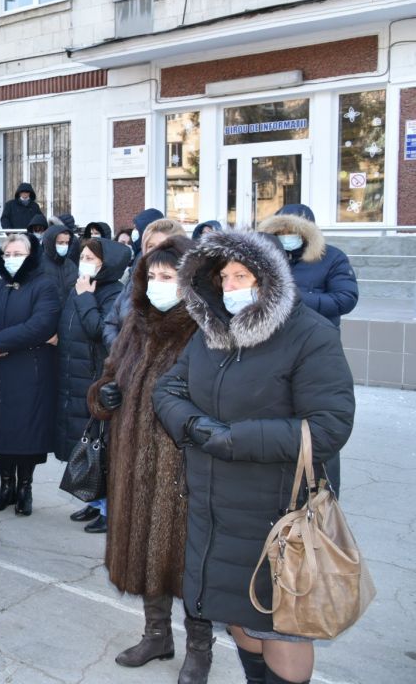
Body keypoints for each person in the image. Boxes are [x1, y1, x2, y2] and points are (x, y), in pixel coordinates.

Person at [153, 230, 355, 684]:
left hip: (279, 515)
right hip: (217, 510)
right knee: (239, 618)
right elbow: (169, 388)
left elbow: (329, 426)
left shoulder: (309, 335)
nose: (229, 287)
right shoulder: (211, 334)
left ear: (268, 280)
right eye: (223, 278)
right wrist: (193, 427)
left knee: (280, 626)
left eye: (240, 275)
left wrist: (233, 439)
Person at [86, 236, 212, 682]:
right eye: (153, 277)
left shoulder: (206, 331)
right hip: (132, 462)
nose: (159, 285)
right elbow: (104, 380)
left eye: (169, 278)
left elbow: (218, 401)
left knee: (190, 563)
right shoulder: (136, 325)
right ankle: (157, 634)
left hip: (184, 470)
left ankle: (200, 648)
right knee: (142, 550)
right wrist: (105, 395)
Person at [0, 235, 61, 516]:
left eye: (18, 252)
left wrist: (1, 341)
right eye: (7, 252)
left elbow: (42, 323)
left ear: (31, 255)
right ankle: (6, 485)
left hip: (28, 372)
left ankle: (25, 488)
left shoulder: (44, 286)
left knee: (25, 432)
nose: (11, 257)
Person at [54, 238, 132, 534]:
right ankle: (93, 499)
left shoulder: (114, 292)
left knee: (106, 447)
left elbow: (100, 330)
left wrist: (86, 298)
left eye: (89, 257)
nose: (82, 262)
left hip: (101, 377)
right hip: (79, 376)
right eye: (82, 256)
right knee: (90, 445)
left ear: (106, 264)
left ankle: (109, 508)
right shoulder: (83, 287)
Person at [258, 204, 358, 328]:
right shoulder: (267, 258)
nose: (285, 236)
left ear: (307, 233)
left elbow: (345, 299)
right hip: (275, 334)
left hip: (317, 334)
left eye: (292, 232)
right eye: (280, 232)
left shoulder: (333, 257)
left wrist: (295, 299)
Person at [102, 216, 187, 349]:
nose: (155, 252)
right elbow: (110, 323)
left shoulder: (185, 286)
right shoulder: (134, 282)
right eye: (150, 246)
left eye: (162, 246)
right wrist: (121, 352)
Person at [39, 223, 78, 300]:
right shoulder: (39, 264)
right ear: (50, 243)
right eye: (60, 243)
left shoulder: (71, 265)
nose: (64, 246)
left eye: (67, 243)